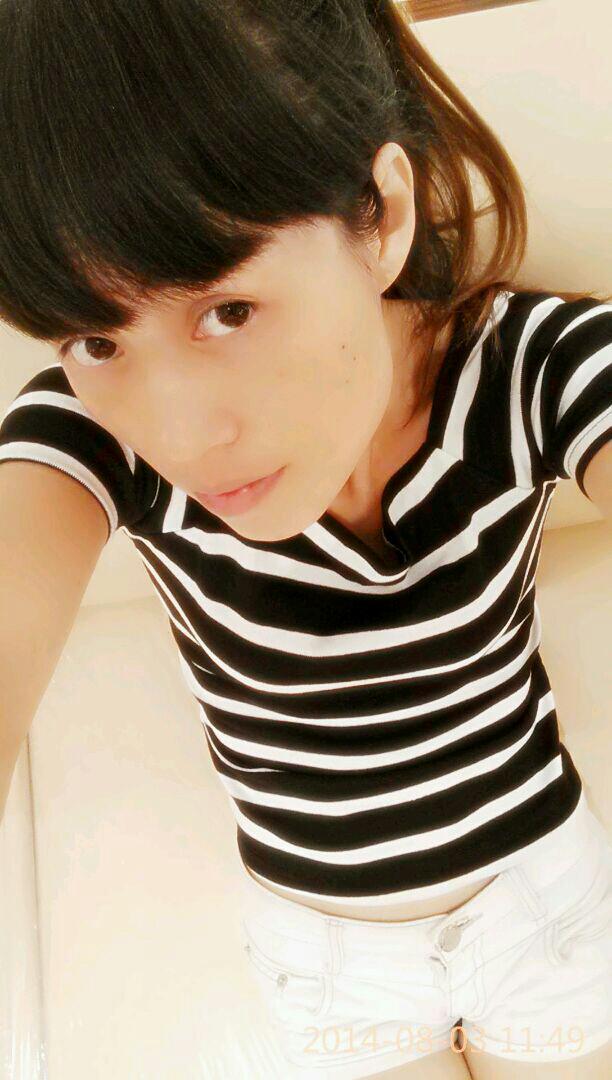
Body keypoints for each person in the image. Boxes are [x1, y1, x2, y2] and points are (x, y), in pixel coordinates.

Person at [0, 1, 610, 1077]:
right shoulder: (92, 438)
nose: (180, 434)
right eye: (95, 338)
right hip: (331, 964)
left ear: (382, 215)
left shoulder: (534, 369)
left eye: (228, 310)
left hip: (544, 909)